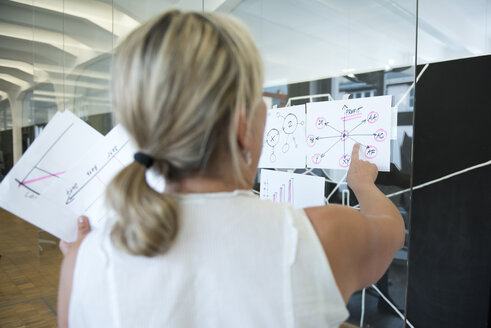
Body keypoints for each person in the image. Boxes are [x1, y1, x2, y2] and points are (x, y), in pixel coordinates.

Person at [57, 10, 405, 328]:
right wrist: (363, 185)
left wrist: (83, 256)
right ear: (241, 124)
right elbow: (392, 229)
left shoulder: (82, 263)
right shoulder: (321, 235)